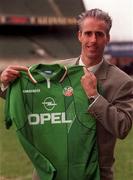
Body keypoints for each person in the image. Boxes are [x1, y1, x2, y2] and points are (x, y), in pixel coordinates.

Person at [0, 8, 133, 180]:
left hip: (94, 175)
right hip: (50, 173)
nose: (93, 40)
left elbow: (122, 128)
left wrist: (94, 96)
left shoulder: (121, 82)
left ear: (107, 38)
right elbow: (27, 96)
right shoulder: (56, 70)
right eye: (88, 33)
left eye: (99, 34)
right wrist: (6, 82)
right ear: (80, 36)